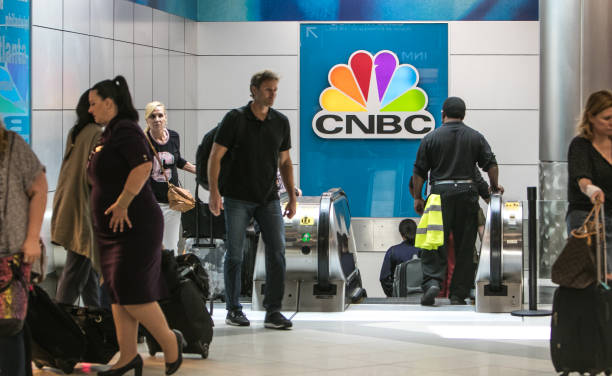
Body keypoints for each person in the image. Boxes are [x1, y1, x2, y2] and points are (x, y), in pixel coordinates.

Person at [87, 76, 184, 376]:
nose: (90, 110)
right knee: (117, 292)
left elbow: (143, 166)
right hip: (115, 229)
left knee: (134, 293)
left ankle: (170, 343)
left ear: (109, 103)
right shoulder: (110, 133)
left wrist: (123, 202)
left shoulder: (126, 130)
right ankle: (128, 356)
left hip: (135, 225)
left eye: (93, 104)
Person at [208, 70, 296, 329]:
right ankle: (234, 309)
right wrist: (214, 192)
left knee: (277, 252)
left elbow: (285, 162)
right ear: (254, 90)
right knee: (235, 254)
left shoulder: (280, 122)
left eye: (275, 90)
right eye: (268, 89)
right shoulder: (235, 119)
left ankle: (273, 311)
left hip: (268, 198)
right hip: (237, 197)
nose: (273, 94)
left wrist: (291, 197)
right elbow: (215, 156)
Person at [412, 96, 503, 306]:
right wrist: (494, 187)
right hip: (467, 192)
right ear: (463, 115)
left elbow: (419, 171)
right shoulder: (475, 137)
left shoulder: (431, 138)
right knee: (465, 245)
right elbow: (491, 164)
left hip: (439, 194)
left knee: (434, 241)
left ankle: (433, 282)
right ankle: (458, 293)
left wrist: (418, 197)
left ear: (442, 114)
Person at [0, 119, 47, 376]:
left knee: (8, 325)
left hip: (11, 255)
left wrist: (31, 238)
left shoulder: (12, 145)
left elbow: (39, 188)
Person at [52, 90, 103, 307]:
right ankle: (57, 323)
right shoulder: (97, 133)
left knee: (87, 269)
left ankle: (96, 321)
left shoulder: (76, 131)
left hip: (69, 206)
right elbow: (97, 176)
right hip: (84, 210)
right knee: (75, 270)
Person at [567, 90, 612, 275]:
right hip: (587, 217)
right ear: (591, 117)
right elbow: (582, 178)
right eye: (606, 118)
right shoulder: (580, 145)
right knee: (598, 272)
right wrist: (591, 190)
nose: (611, 122)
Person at [144, 101, 196, 253]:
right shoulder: (143, 140)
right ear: (147, 120)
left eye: (160, 115)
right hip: (151, 201)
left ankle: (168, 276)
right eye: (152, 116)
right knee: (152, 245)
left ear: (165, 117)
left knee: (171, 246)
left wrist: (197, 170)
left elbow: (177, 160)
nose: (157, 119)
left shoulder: (173, 137)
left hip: (172, 201)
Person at [379, 219, 421, 297]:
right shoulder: (425, 250)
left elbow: (384, 279)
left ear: (401, 234)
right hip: (423, 297)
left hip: (400, 298)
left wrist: (394, 295)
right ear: (416, 231)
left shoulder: (393, 251)